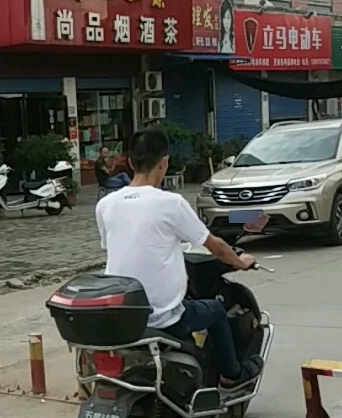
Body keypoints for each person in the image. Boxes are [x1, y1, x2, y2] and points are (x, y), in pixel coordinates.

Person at [95, 128, 263, 388]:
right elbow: (215, 246)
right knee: (216, 310)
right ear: (164, 163)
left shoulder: (106, 205)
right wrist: (241, 261)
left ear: (130, 162)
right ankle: (231, 375)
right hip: (164, 317)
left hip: (124, 316)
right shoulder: (171, 203)